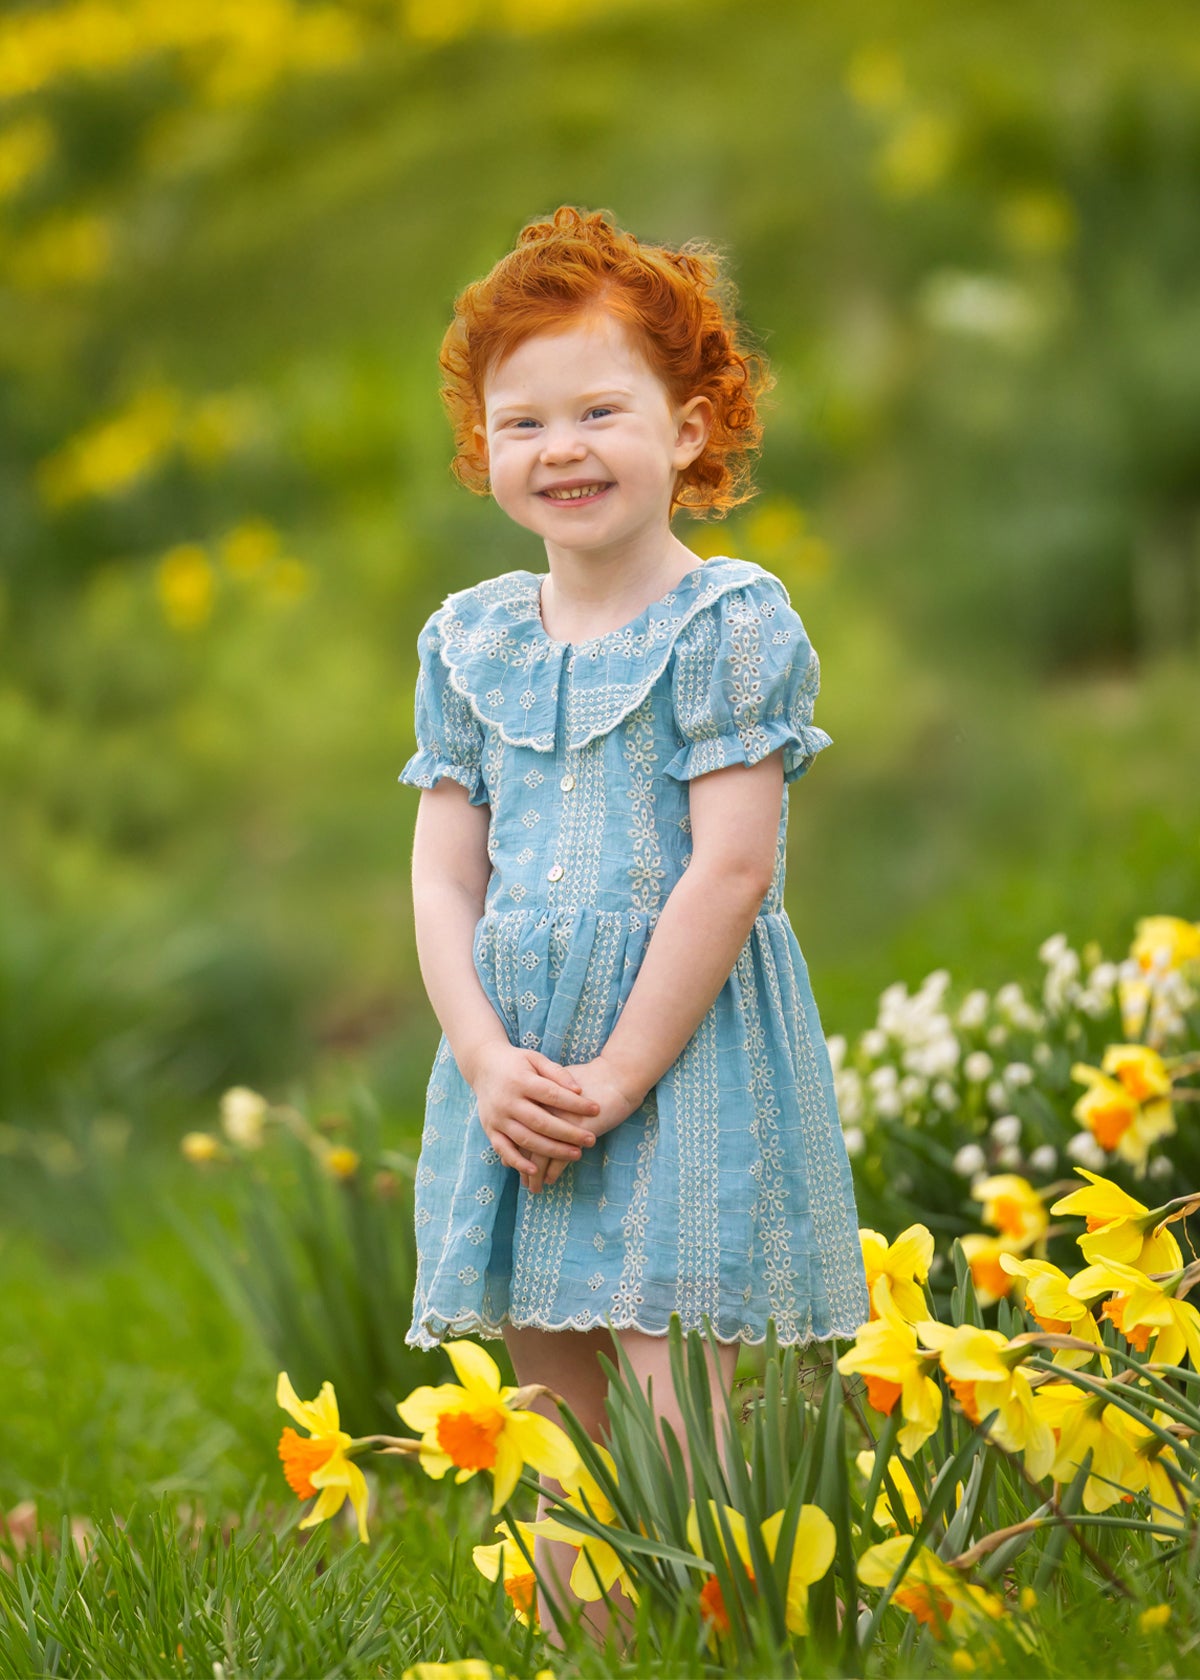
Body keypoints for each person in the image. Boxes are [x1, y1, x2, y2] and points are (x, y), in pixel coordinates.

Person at [397, 204, 869, 1638]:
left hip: (684, 1071)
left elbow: (730, 872)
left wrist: (622, 1072)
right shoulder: (470, 641)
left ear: (690, 428)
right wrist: (486, 1058)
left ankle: (728, 1650)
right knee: (557, 1418)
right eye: (523, 419)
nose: (563, 447)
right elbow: (439, 877)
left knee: (682, 1416)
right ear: (486, 451)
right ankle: (585, 1657)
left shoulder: (726, 623)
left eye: (602, 408)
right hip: (526, 1077)